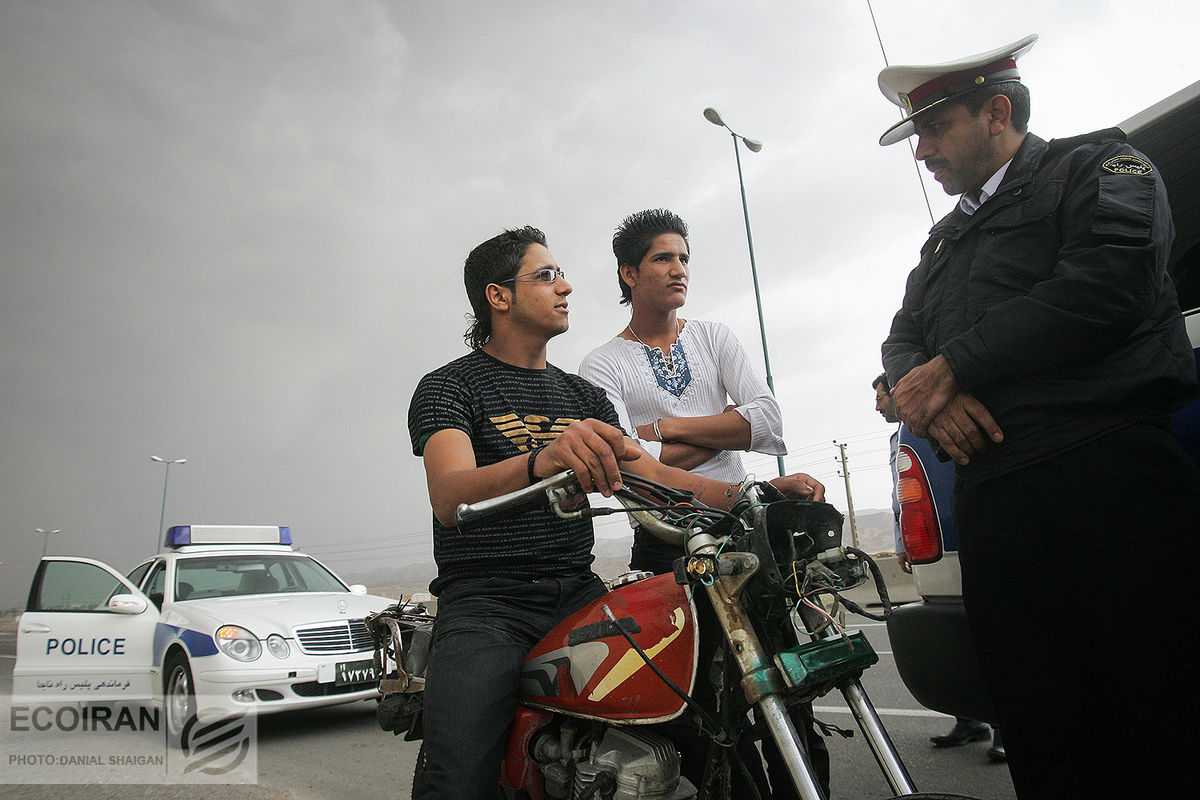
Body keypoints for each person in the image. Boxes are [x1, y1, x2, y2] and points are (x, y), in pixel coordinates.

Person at [876, 34, 1200, 798]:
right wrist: (928, 403)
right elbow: (901, 340)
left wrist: (954, 369)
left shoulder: (1101, 168)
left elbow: (1108, 281)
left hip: (1108, 480)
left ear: (996, 111)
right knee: (1046, 726)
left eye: (934, 128)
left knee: (1159, 713)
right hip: (998, 506)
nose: (921, 151)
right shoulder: (942, 242)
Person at [407, 225, 825, 800]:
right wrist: (542, 461)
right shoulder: (450, 387)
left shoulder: (582, 396)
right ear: (497, 296)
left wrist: (756, 496)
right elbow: (450, 496)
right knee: (457, 777)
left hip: (579, 594)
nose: (567, 287)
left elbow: (656, 477)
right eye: (547, 276)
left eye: (562, 275)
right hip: (486, 605)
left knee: (702, 723)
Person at [580, 209, 828, 798]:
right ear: (628, 274)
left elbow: (767, 422)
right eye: (664, 258)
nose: (679, 270)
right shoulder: (601, 364)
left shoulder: (715, 337)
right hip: (665, 541)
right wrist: (713, 433)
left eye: (684, 257)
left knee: (786, 690)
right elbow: (628, 470)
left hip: (743, 526)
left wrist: (665, 431)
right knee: (709, 710)